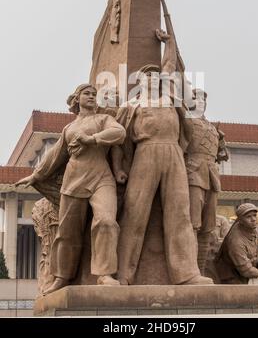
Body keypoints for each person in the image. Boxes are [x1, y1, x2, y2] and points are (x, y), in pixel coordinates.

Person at [113, 18, 213, 286]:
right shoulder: (132, 106)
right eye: (148, 76)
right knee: (135, 214)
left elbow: (170, 66)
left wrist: (168, 43)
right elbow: (118, 141)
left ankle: (186, 273)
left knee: (179, 214)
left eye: (156, 76)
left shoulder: (170, 98)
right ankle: (124, 274)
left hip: (173, 155)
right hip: (145, 155)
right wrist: (119, 168)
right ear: (140, 80)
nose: (154, 79)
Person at [16, 84, 126, 293]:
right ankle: (62, 277)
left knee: (106, 222)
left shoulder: (103, 120)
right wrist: (35, 175)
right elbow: (54, 156)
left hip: (102, 178)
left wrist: (92, 139)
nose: (92, 97)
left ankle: (104, 274)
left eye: (94, 94)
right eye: (87, 94)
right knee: (67, 233)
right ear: (77, 99)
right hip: (73, 181)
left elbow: (119, 133)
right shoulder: (69, 128)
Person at [184, 90, 229, 274]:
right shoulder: (186, 122)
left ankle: (200, 270)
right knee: (193, 223)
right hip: (193, 172)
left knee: (208, 226)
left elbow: (222, 155)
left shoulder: (212, 128)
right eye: (196, 98)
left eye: (203, 99)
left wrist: (222, 144)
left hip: (212, 175)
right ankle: (190, 270)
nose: (200, 101)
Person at [215, 203, 258, 284]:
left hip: (242, 273)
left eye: (254, 215)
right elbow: (246, 271)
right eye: (248, 216)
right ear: (240, 221)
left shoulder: (253, 227)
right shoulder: (236, 241)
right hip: (230, 276)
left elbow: (254, 241)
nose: (253, 219)